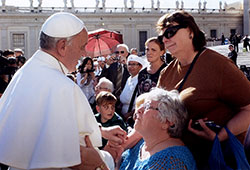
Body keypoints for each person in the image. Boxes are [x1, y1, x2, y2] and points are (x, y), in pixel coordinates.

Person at [0, 12, 127, 170]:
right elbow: (78, 158)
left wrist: (101, 132)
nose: (84, 54)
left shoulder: (26, 72)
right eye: (81, 47)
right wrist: (104, 160)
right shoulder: (62, 86)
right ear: (62, 46)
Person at [156, 10, 250, 168]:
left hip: (217, 159)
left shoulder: (218, 65)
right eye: (162, 36)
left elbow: (248, 109)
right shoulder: (167, 72)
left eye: (171, 32)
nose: (165, 39)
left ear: (190, 32)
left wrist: (220, 136)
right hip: (181, 160)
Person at [117, 88, 197, 169]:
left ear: (168, 121)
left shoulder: (172, 161)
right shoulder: (142, 143)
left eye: (147, 106)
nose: (139, 110)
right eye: (142, 105)